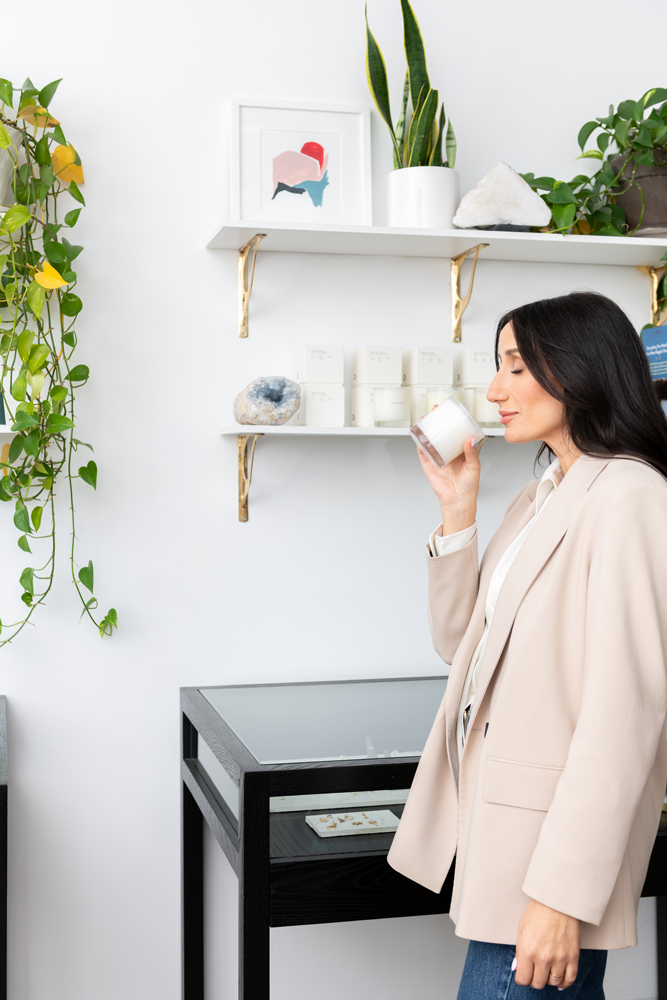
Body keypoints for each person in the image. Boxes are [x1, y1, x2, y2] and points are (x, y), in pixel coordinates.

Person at [387, 291, 667, 998]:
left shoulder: (631, 496)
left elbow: (623, 720)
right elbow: (463, 649)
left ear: (574, 370)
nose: (493, 390)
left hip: (549, 867)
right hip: (502, 844)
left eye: (515, 366)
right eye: (498, 367)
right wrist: (457, 510)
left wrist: (562, 895)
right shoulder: (539, 494)